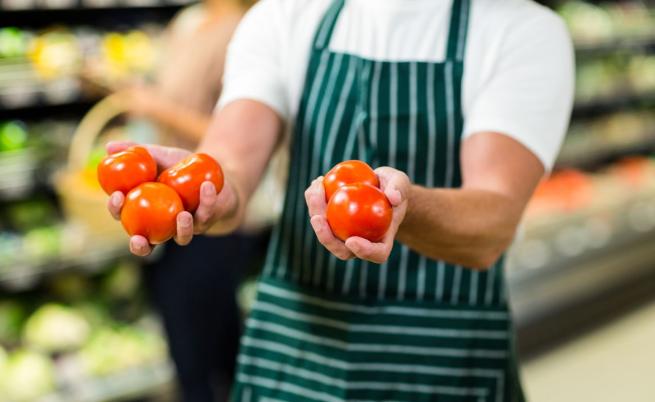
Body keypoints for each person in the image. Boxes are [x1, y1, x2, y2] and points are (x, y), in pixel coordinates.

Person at [107, 0, 574, 400]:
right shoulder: (286, 14)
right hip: (296, 350)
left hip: (444, 357)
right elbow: (231, 163)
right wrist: (203, 192)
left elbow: (492, 221)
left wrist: (403, 206)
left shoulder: (521, 31)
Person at [110, 1, 260, 401]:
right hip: (163, 192)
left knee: (193, 346)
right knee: (213, 330)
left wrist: (157, 108)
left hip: (209, 203)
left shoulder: (245, 29)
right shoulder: (189, 19)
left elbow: (235, 134)